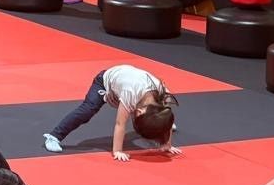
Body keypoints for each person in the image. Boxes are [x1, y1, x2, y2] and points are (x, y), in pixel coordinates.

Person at [42, 65, 180, 159]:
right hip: (104, 81)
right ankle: (54, 136)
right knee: (88, 110)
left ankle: (157, 122)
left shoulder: (164, 96)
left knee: (163, 119)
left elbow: (167, 116)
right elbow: (120, 124)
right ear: (138, 110)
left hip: (127, 81)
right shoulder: (130, 93)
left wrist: (166, 143)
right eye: (136, 115)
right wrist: (117, 151)